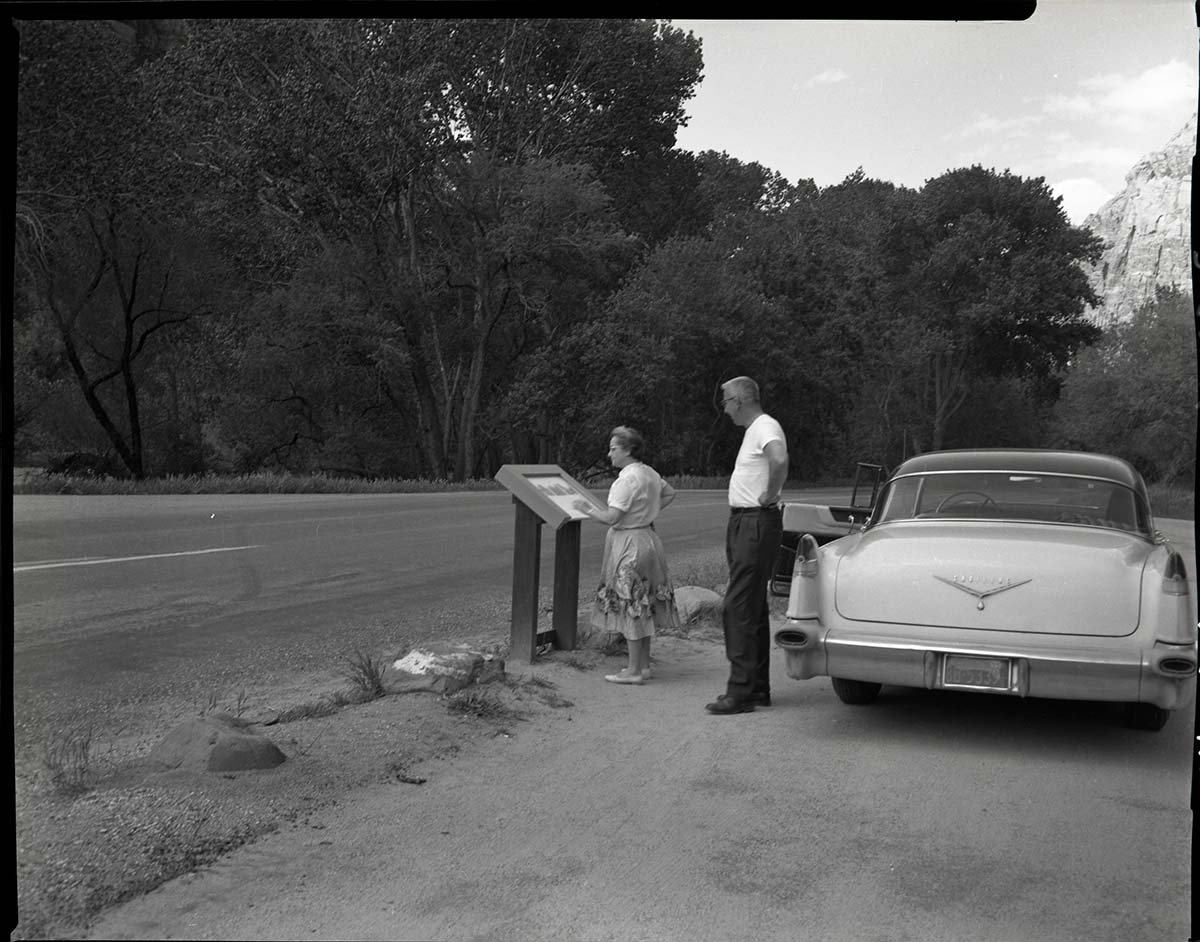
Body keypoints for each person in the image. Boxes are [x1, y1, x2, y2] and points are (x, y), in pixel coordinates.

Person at [573, 426, 681, 685]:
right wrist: (649, 513)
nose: (610, 454)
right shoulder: (649, 473)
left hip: (629, 543)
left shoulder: (626, 480)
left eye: (614, 449)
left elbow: (612, 517)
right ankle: (643, 666)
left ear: (628, 450)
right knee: (644, 604)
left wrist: (586, 509)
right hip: (648, 538)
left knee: (631, 603)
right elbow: (670, 492)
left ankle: (633, 670)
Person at [707, 376, 789, 715]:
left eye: (726, 401)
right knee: (751, 607)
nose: (724, 409)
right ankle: (757, 689)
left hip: (755, 521)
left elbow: (779, 459)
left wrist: (770, 494)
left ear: (739, 400)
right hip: (747, 521)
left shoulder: (764, 426)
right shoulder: (754, 430)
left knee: (736, 607)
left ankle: (739, 692)